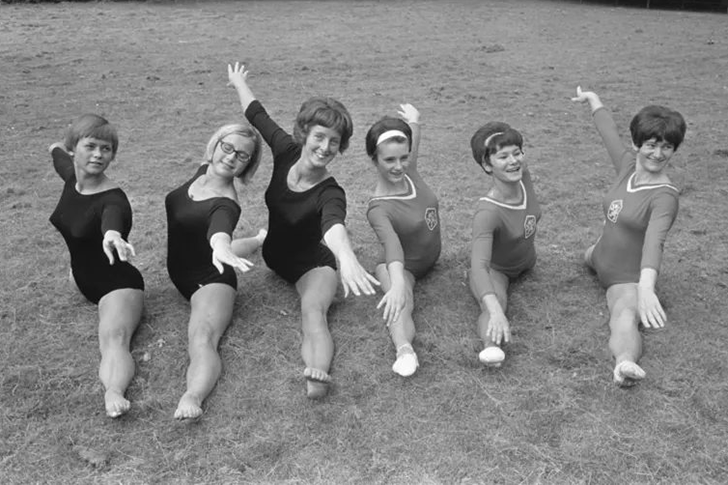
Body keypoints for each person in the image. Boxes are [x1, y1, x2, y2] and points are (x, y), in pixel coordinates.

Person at [227, 61, 379, 399]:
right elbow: (257, 115)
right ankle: (258, 239)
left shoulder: (331, 192)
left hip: (312, 267)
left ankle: (318, 376)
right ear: (304, 135)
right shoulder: (286, 150)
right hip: (273, 255)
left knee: (313, 313)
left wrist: (346, 257)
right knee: (231, 247)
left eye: (334, 142)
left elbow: (334, 226)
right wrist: (238, 82)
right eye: (319, 137)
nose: (325, 148)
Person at [571, 86, 686, 387]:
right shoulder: (626, 167)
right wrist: (593, 100)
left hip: (625, 279)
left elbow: (654, 242)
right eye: (651, 145)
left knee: (623, 316)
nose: (658, 154)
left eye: (667, 147)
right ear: (636, 144)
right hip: (597, 256)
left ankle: (624, 364)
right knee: (585, 255)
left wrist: (645, 287)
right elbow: (607, 132)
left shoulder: (665, 197)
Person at [165, 122, 266, 419]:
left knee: (202, 338)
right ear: (216, 144)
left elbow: (220, 231)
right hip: (183, 269)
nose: (232, 157)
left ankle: (192, 396)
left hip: (210, 280)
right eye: (228, 147)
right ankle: (259, 239)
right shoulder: (203, 170)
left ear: (248, 164)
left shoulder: (226, 205)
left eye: (242, 155)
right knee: (228, 249)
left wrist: (221, 245)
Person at [49, 114, 145, 418]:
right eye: (90, 146)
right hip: (81, 279)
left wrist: (113, 235)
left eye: (106, 149)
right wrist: (56, 146)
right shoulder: (71, 178)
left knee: (113, 339)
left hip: (117, 286)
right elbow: (58, 156)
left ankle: (114, 391)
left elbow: (111, 222)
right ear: (74, 149)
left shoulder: (113, 200)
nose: (98, 155)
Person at [364, 104, 441, 377]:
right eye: (389, 160)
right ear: (374, 159)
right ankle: (405, 350)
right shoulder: (378, 208)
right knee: (400, 302)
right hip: (402, 267)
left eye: (403, 157)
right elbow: (392, 247)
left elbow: (412, 141)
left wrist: (414, 122)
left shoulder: (410, 170)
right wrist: (397, 283)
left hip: (430, 260)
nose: (399, 166)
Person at [468, 121, 541, 367]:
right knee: (495, 305)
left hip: (526, 262)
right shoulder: (488, 212)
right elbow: (479, 266)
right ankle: (491, 348)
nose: (513, 161)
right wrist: (496, 311)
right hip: (496, 270)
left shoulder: (522, 177)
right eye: (503, 157)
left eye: (517, 153)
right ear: (487, 165)